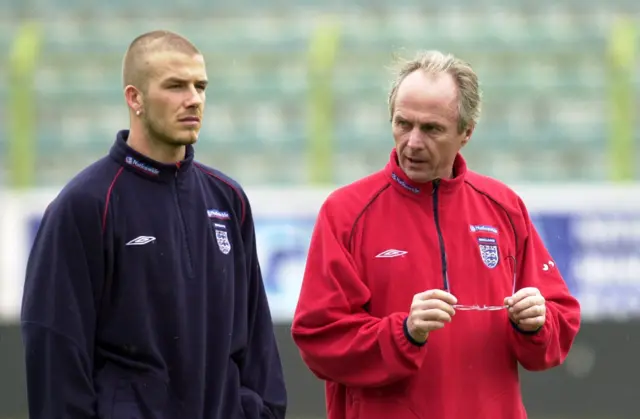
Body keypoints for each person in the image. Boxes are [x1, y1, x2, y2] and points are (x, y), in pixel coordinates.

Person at [291, 50, 581, 419]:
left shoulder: (504, 207)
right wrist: (404, 332)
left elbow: (558, 327)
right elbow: (319, 338)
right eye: (403, 124)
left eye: (431, 129)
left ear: (466, 133)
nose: (412, 142)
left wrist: (538, 322)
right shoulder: (345, 212)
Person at [21, 30, 287, 419]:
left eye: (200, 86)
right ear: (135, 98)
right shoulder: (85, 204)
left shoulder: (227, 200)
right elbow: (55, 347)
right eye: (176, 86)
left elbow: (256, 337)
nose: (193, 99)